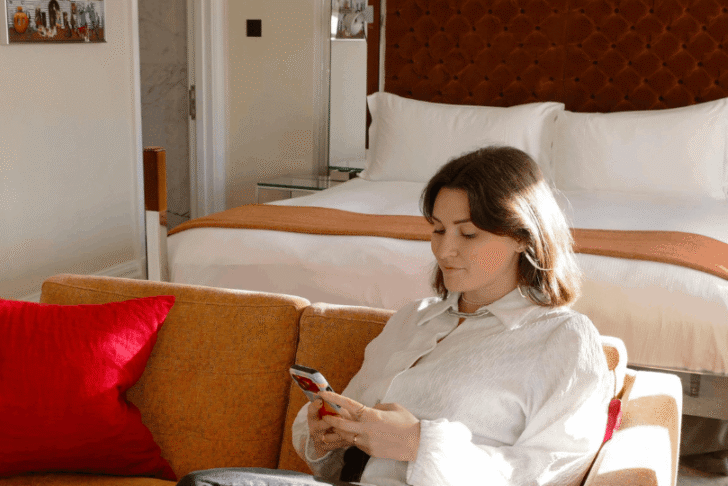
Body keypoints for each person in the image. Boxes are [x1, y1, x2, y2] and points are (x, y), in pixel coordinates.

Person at [177, 146, 613, 486]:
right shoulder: (412, 318)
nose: (444, 251)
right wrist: (325, 434)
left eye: (468, 233)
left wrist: (418, 445)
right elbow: (347, 428)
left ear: (522, 236)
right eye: (437, 230)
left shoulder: (564, 338)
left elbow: (555, 472)